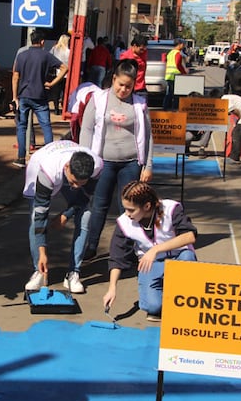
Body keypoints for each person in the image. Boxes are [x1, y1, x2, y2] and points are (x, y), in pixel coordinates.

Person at [79, 59, 153, 260]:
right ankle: (91, 245)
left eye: (129, 86)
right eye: (120, 84)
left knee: (128, 208)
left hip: (130, 164)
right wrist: (86, 159)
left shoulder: (140, 104)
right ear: (113, 79)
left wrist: (147, 165)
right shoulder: (98, 99)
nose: (124, 90)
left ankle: (126, 249)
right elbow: (86, 129)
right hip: (103, 162)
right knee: (99, 205)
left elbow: (148, 137)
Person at [103, 181, 197, 321]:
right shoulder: (124, 222)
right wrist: (112, 288)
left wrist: (155, 249)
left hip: (179, 255)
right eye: (125, 209)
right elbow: (117, 257)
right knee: (152, 307)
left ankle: (183, 296)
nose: (127, 214)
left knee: (188, 258)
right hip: (151, 263)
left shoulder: (171, 209)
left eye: (131, 210)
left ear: (147, 206)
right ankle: (163, 292)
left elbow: (190, 236)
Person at [22, 140, 103, 294]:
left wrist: (65, 215)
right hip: (43, 164)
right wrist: (42, 253)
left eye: (81, 183)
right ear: (67, 168)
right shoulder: (47, 171)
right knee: (34, 218)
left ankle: (74, 273)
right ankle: (38, 270)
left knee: (86, 215)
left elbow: (84, 197)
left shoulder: (96, 167)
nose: (76, 187)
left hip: (66, 164)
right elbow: (41, 214)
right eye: (73, 182)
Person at [11, 29, 68, 168]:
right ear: (42, 42)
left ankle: (20, 158)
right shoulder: (46, 55)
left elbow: (15, 77)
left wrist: (14, 97)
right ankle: (49, 157)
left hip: (24, 94)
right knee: (46, 126)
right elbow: (64, 68)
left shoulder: (22, 55)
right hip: (40, 95)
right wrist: (52, 83)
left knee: (21, 127)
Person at [162, 39, 188, 111]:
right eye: (183, 44)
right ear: (179, 44)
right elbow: (178, 65)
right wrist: (184, 72)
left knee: (169, 94)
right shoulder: (178, 53)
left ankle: (165, 108)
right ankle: (174, 109)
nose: (183, 46)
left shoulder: (170, 52)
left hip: (169, 76)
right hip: (175, 76)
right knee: (175, 95)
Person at [49, 34, 70, 110]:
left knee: (56, 92)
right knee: (65, 91)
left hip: (57, 73)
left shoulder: (54, 49)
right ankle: (64, 107)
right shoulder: (69, 51)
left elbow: (49, 57)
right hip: (67, 74)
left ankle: (56, 108)